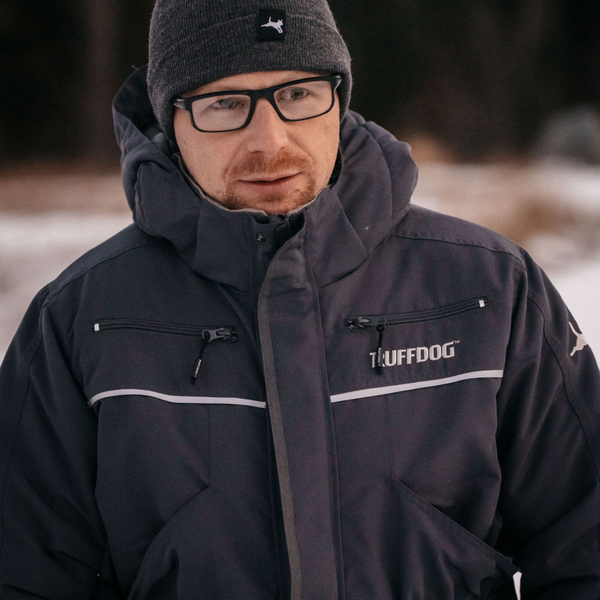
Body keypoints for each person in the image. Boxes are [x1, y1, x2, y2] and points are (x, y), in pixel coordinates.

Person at [1, 0, 599, 597]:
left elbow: (586, 542)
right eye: (225, 104)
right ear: (171, 121)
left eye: (297, 94)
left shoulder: (489, 288)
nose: (269, 140)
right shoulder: (85, 317)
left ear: (337, 101)